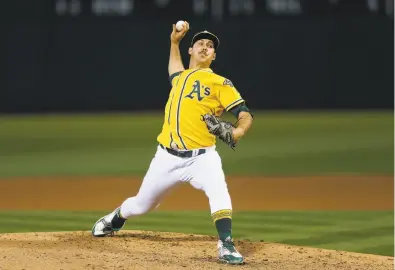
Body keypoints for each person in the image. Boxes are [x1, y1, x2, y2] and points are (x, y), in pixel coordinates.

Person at [91, 21, 254, 265]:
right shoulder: (180, 79)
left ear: (214, 55)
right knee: (141, 205)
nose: (204, 47)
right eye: (200, 43)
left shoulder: (221, 83)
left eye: (210, 46)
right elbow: (174, 68)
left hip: (202, 157)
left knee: (219, 190)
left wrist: (239, 131)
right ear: (191, 51)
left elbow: (244, 112)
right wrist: (174, 42)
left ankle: (226, 244)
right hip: (166, 158)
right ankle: (116, 217)